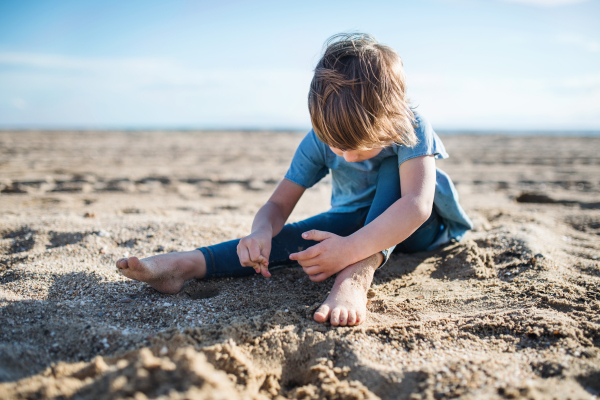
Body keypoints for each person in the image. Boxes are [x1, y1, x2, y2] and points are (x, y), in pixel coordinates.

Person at [116, 33, 472, 327]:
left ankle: (355, 277)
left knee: (390, 170)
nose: (345, 156)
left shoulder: (410, 124)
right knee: (297, 234)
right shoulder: (319, 138)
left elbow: (416, 205)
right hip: (351, 222)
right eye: (336, 145)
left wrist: (350, 252)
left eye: (359, 148)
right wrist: (259, 233)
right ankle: (187, 264)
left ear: (391, 117)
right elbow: (277, 205)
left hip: (420, 232)